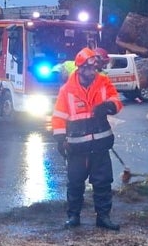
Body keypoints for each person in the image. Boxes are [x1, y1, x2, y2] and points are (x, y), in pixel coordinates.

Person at [51, 47, 124, 230]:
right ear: (80, 68)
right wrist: (60, 139)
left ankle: (103, 217)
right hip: (77, 148)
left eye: (95, 69)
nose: (93, 72)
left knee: (103, 183)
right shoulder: (67, 89)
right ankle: (73, 216)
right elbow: (59, 116)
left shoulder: (103, 82)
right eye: (90, 69)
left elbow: (117, 102)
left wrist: (107, 106)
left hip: (100, 145)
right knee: (75, 184)